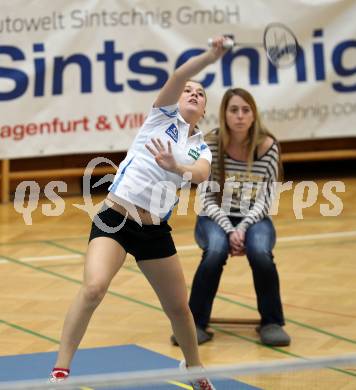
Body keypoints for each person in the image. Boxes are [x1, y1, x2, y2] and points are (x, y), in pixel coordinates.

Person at [49, 37, 231, 390]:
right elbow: (180, 73)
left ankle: (193, 368)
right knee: (93, 289)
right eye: (188, 91)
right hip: (115, 219)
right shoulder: (161, 116)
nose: (193, 94)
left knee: (179, 308)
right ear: (177, 99)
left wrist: (175, 164)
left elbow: (201, 174)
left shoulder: (200, 147)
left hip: (153, 231)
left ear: (205, 110)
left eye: (200, 93)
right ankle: (60, 370)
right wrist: (211, 56)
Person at [171, 88, 291, 347]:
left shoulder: (268, 146)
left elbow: (266, 199)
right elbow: (206, 198)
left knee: (261, 252)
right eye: (233, 110)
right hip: (213, 217)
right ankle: (194, 324)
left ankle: (272, 322)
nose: (239, 116)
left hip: (254, 218)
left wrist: (244, 227)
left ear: (253, 115)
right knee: (215, 251)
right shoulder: (210, 145)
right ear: (224, 114)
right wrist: (229, 230)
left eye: (245, 110)